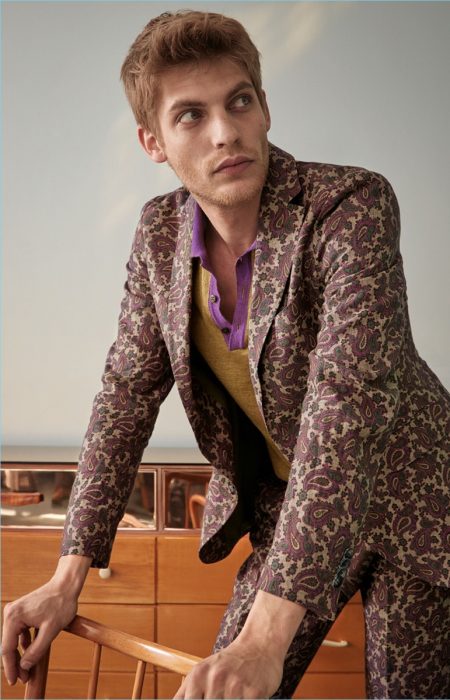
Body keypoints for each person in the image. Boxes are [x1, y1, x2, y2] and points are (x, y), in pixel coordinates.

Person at [2, 10, 449, 699]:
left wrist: (266, 641)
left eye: (239, 102)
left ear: (264, 108)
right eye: (191, 115)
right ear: (153, 141)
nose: (225, 131)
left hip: (410, 501)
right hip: (294, 510)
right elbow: (125, 397)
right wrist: (67, 578)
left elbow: (347, 410)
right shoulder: (158, 235)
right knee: (219, 688)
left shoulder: (351, 206)